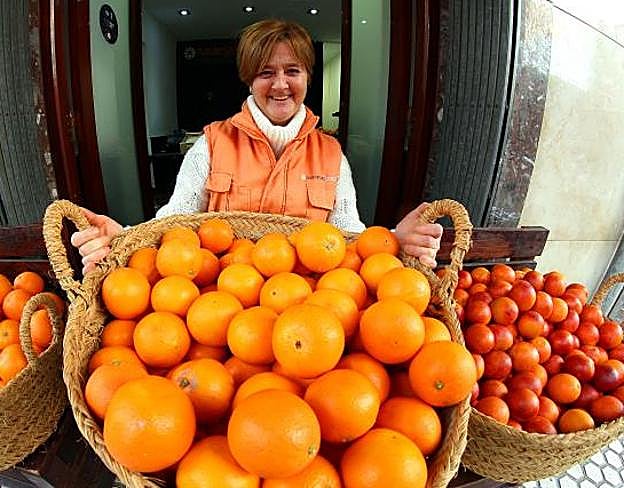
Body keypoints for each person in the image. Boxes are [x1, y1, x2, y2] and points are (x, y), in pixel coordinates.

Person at [71, 19, 442, 274]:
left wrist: (394, 241)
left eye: (292, 70)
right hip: (217, 306)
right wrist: (125, 237)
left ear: (307, 77)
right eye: (266, 72)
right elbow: (175, 220)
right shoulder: (211, 144)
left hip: (308, 310)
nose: (280, 84)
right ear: (249, 80)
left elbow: (348, 236)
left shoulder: (331, 154)